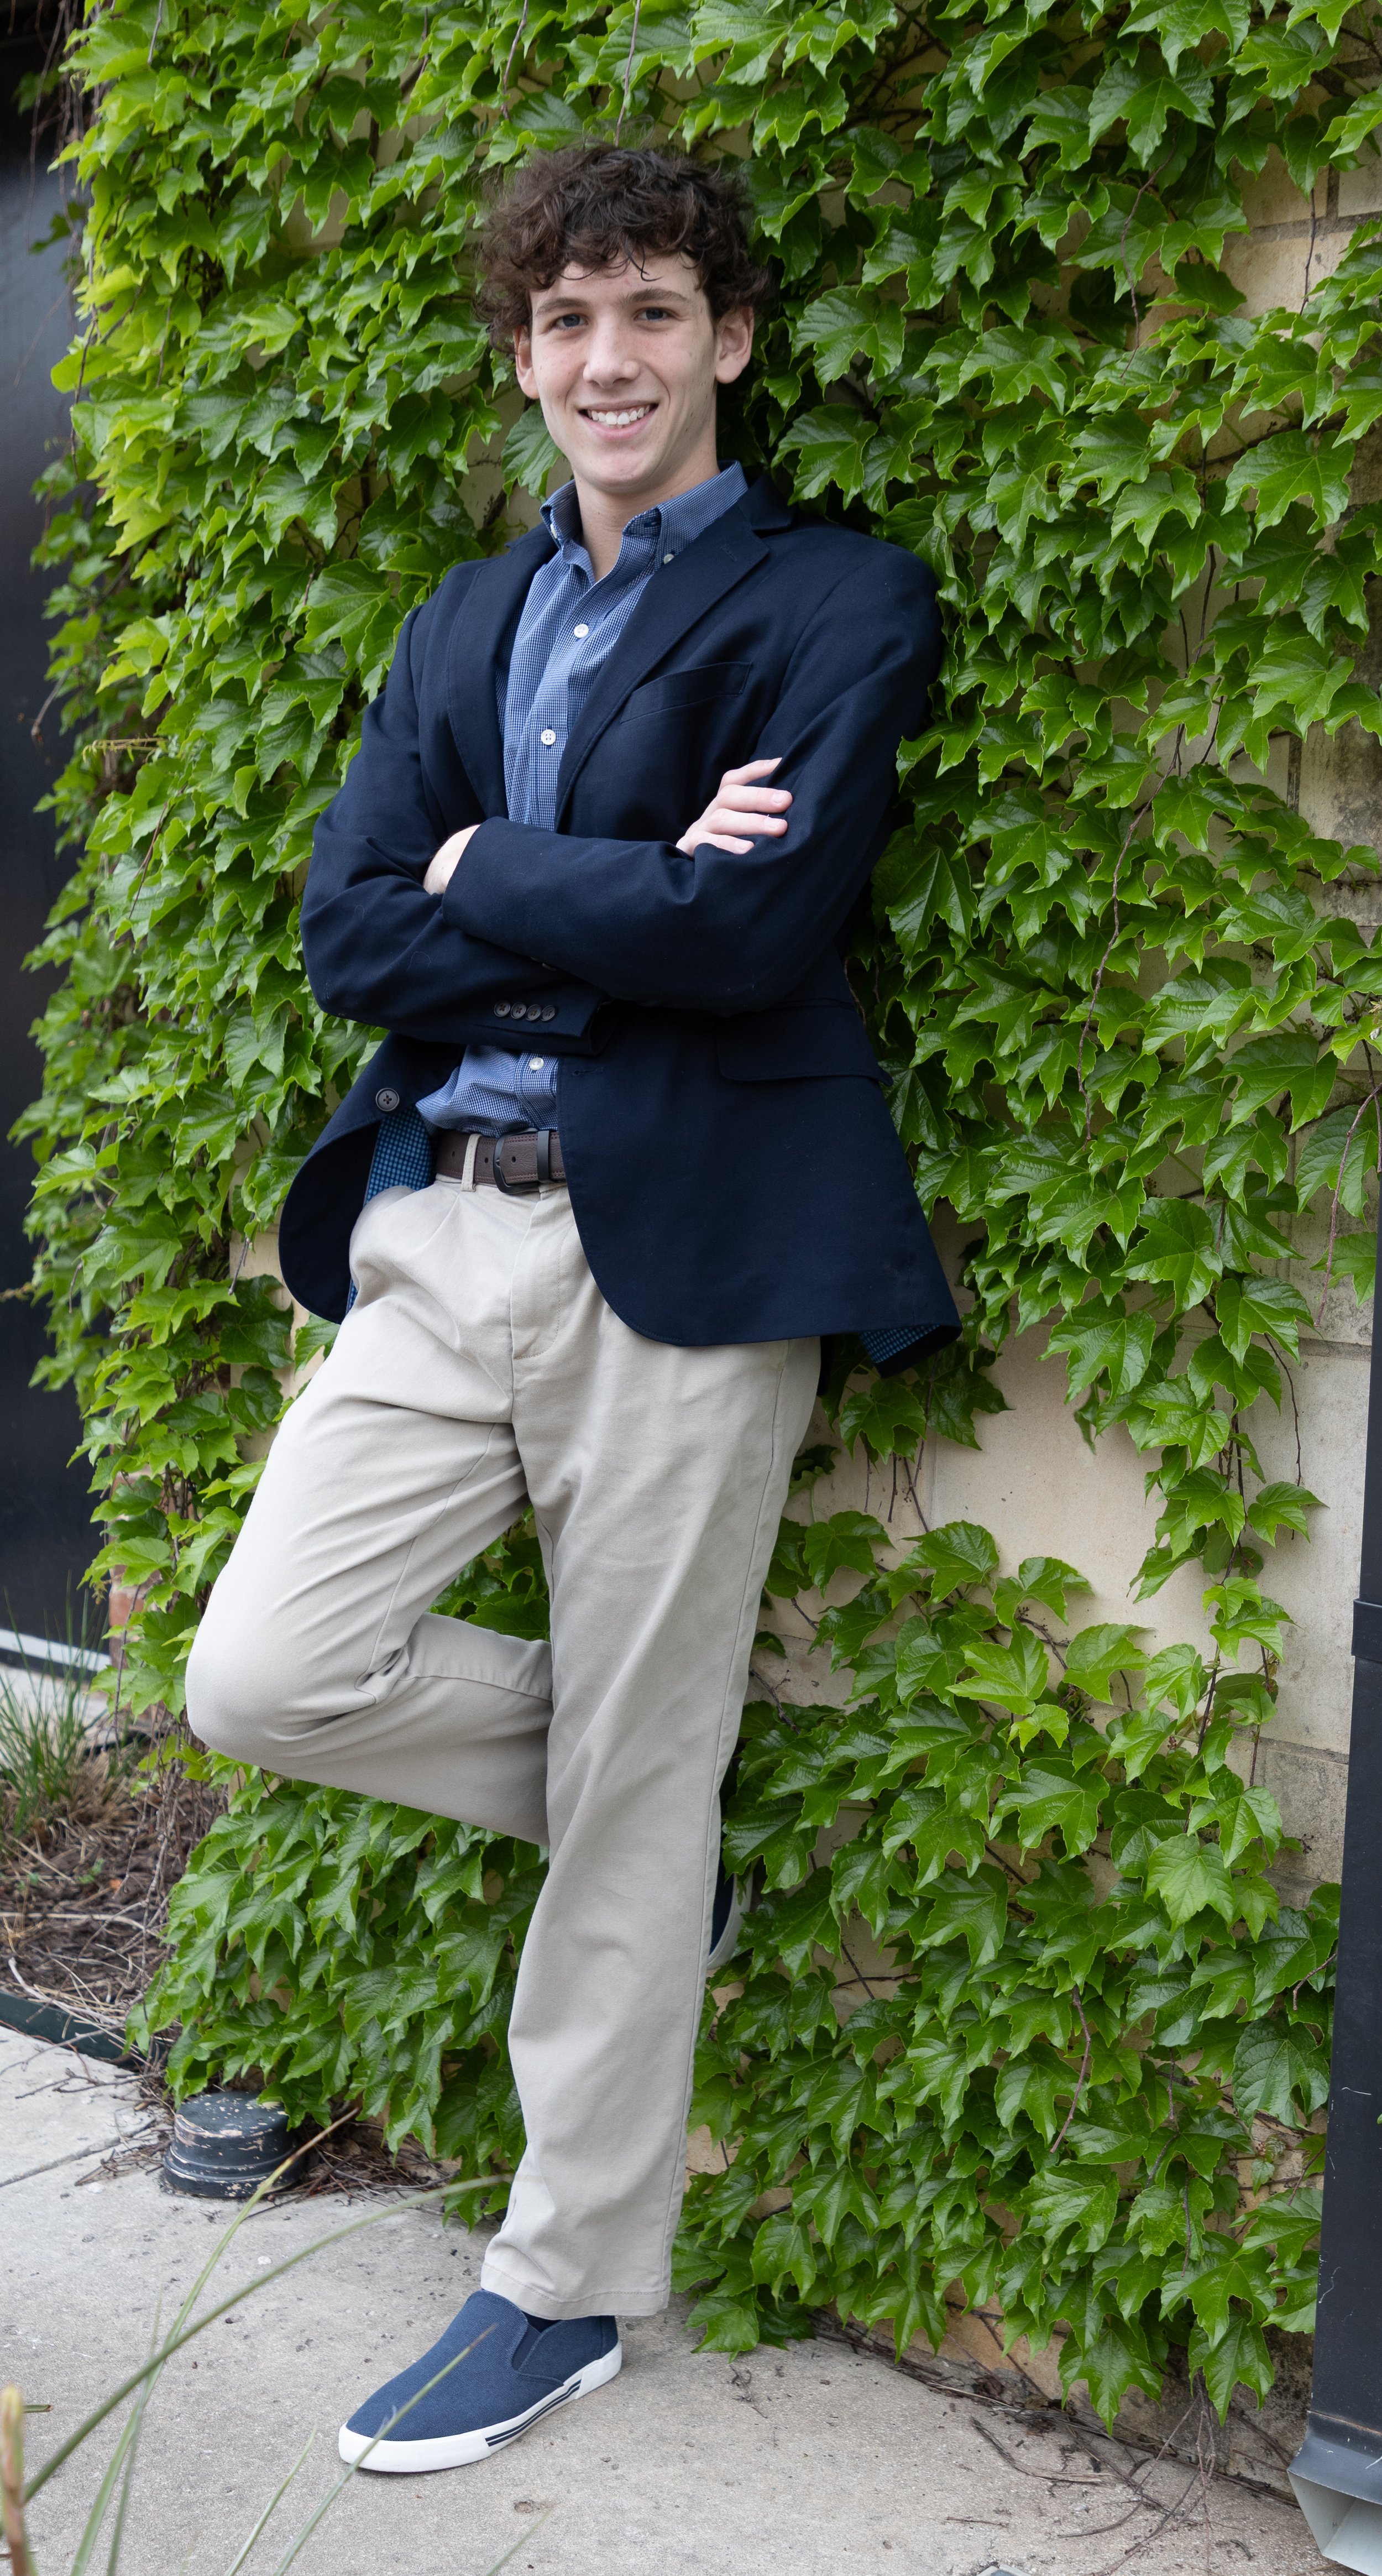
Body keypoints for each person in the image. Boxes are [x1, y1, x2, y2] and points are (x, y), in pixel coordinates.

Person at [186, 142, 958, 2475]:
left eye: (647, 315)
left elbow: (752, 936)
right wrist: (593, 881)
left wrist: (487, 871)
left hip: (690, 1248)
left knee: (637, 1776)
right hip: (443, 1222)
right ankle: (658, 1822)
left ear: (726, 337)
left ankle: (562, 2280)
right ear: (521, 360)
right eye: (562, 324)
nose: (602, 363)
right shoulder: (456, 621)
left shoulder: (838, 599)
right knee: (266, 1671)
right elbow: (345, 930)